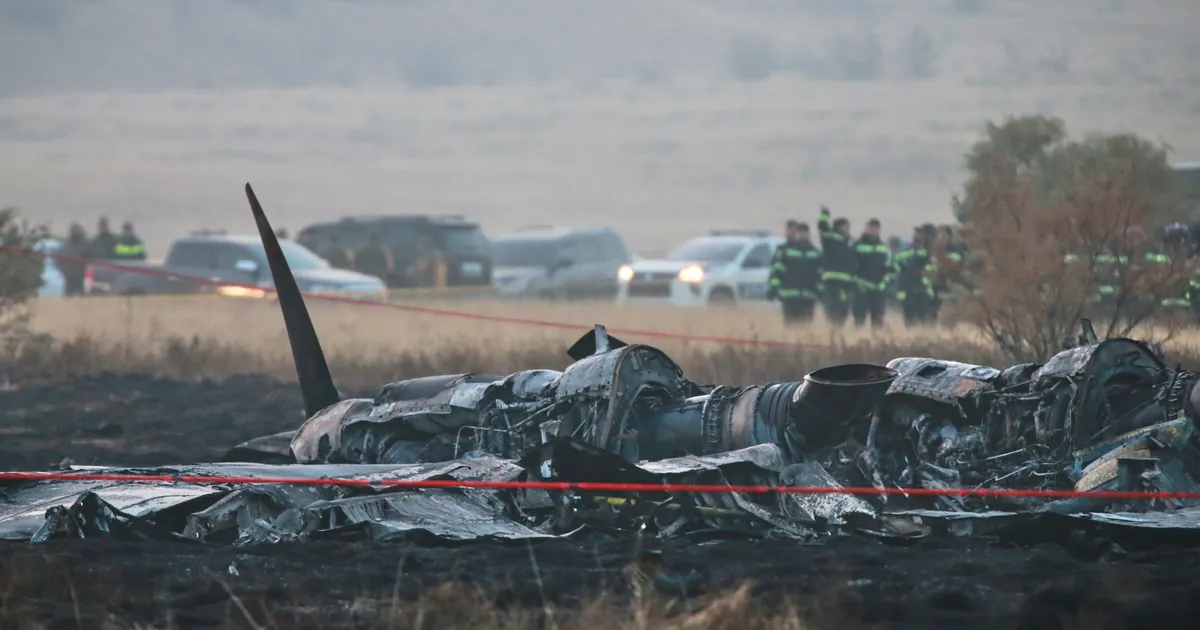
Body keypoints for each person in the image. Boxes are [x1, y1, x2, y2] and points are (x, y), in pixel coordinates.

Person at [767, 220, 823, 324]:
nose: (802, 236)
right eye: (800, 233)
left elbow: (819, 275)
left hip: (808, 297)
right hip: (789, 297)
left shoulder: (815, 253)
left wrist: (821, 293)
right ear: (796, 234)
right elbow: (776, 272)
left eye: (804, 234)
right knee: (790, 327)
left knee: (806, 328)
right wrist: (773, 289)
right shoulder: (785, 251)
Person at [817, 206, 856, 326]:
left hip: (845, 285)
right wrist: (824, 215)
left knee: (843, 311)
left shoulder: (848, 244)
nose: (848, 229)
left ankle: (838, 331)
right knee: (831, 310)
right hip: (832, 282)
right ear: (838, 227)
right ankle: (832, 332)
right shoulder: (831, 238)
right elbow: (822, 228)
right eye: (846, 227)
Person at [851, 218, 891, 328]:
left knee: (878, 319)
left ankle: (877, 342)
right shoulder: (857, 245)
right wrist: (857, 282)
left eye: (876, 228)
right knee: (859, 318)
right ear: (866, 228)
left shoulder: (883, 246)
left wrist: (885, 281)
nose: (873, 230)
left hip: (878, 287)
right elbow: (852, 265)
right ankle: (856, 340)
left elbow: (886, 265)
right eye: (871, 228)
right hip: (862, 286)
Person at [894, 225, 938, 326]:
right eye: (916, 234)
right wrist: (900, 290)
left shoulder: (929, 254)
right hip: (908, 291)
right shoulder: (904, 253)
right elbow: (898, 272)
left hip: (923, 291)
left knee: (924, 320)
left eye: (920, 235)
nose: (917, 237)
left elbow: (932, 271)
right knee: (909, 320)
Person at [59, 223, 90, 297]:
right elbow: (61, 258)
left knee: (80, 295)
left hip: (79, 276)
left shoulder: (85, 244)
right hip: (71, 276)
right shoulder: (67, 244)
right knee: (69, 296)